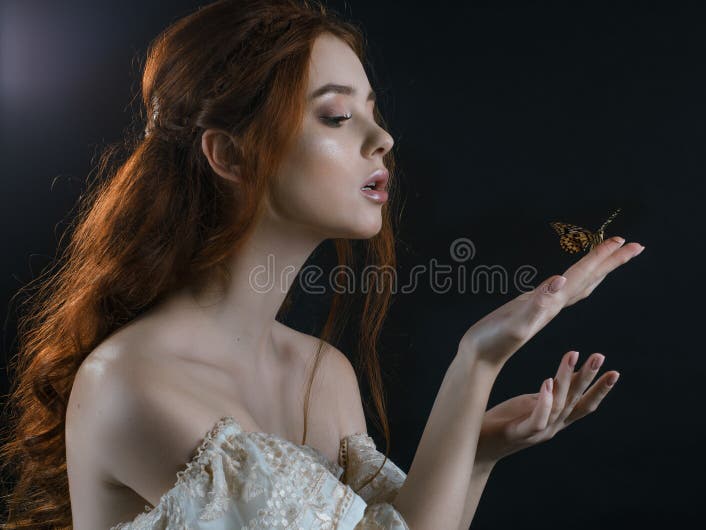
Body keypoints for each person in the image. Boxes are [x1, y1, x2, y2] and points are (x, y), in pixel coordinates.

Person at [0, 0, 646, 528]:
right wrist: (475, 362)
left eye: (371, 109)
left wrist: (476, 452)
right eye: (337, 115)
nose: (382, 138)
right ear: (229, 154)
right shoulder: (134, 383)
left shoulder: (321, 371)